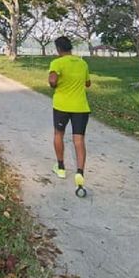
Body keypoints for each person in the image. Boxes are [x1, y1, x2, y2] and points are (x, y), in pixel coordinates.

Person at [48, 36, 91, 189]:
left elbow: (52, 80)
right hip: (81, 107)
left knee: (58, 134)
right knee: (79, 140)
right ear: (70, 47)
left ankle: (60, 168)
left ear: (58, 49)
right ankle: (80, 172)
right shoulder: (82, 63)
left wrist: (54, 84)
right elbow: (88, 83)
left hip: (62, 106)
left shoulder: (57, 63)